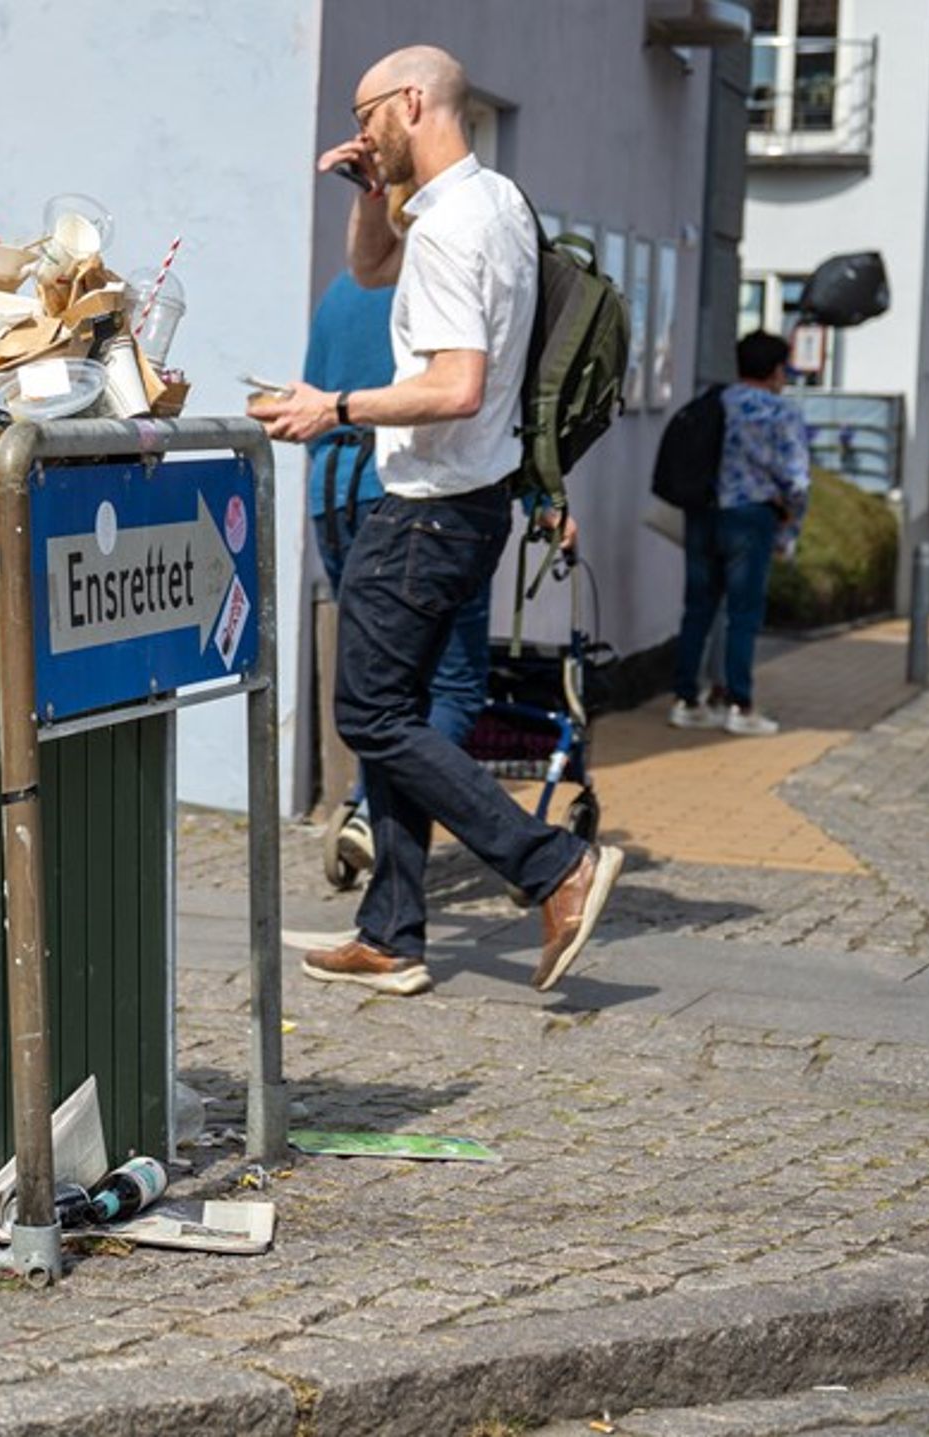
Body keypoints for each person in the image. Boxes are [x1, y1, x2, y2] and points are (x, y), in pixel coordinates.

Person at [251, 44, 623, 995]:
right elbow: (373, 269)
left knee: (367, 712)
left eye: (366, 111)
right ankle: (393, 931)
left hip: (424, 511)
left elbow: (456, 386)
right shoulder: (490, 200)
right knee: (402, 713)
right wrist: (366, 185)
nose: (356, 127)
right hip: (468, 508)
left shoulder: (457, 227)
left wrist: (332, 408)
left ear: (411, 101)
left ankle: (552, 864)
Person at [291, 269, 494, 962]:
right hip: (409, 494)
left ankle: (391, 919)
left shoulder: (343, 291)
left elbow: (312, 395)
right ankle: (371, 816)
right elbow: (471, 400)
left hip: (334, 494)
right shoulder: (443, 287)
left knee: (379, 688)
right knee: (453, 686)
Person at [668, 331, 811, 737]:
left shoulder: (716, 400)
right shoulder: (781, 412)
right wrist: (790, 528)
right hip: (751, 516)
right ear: (775, 369)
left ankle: (685, 700)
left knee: (697, 608)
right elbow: (798, 481)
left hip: (703, 512)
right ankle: (739, 703)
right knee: (743, 615)